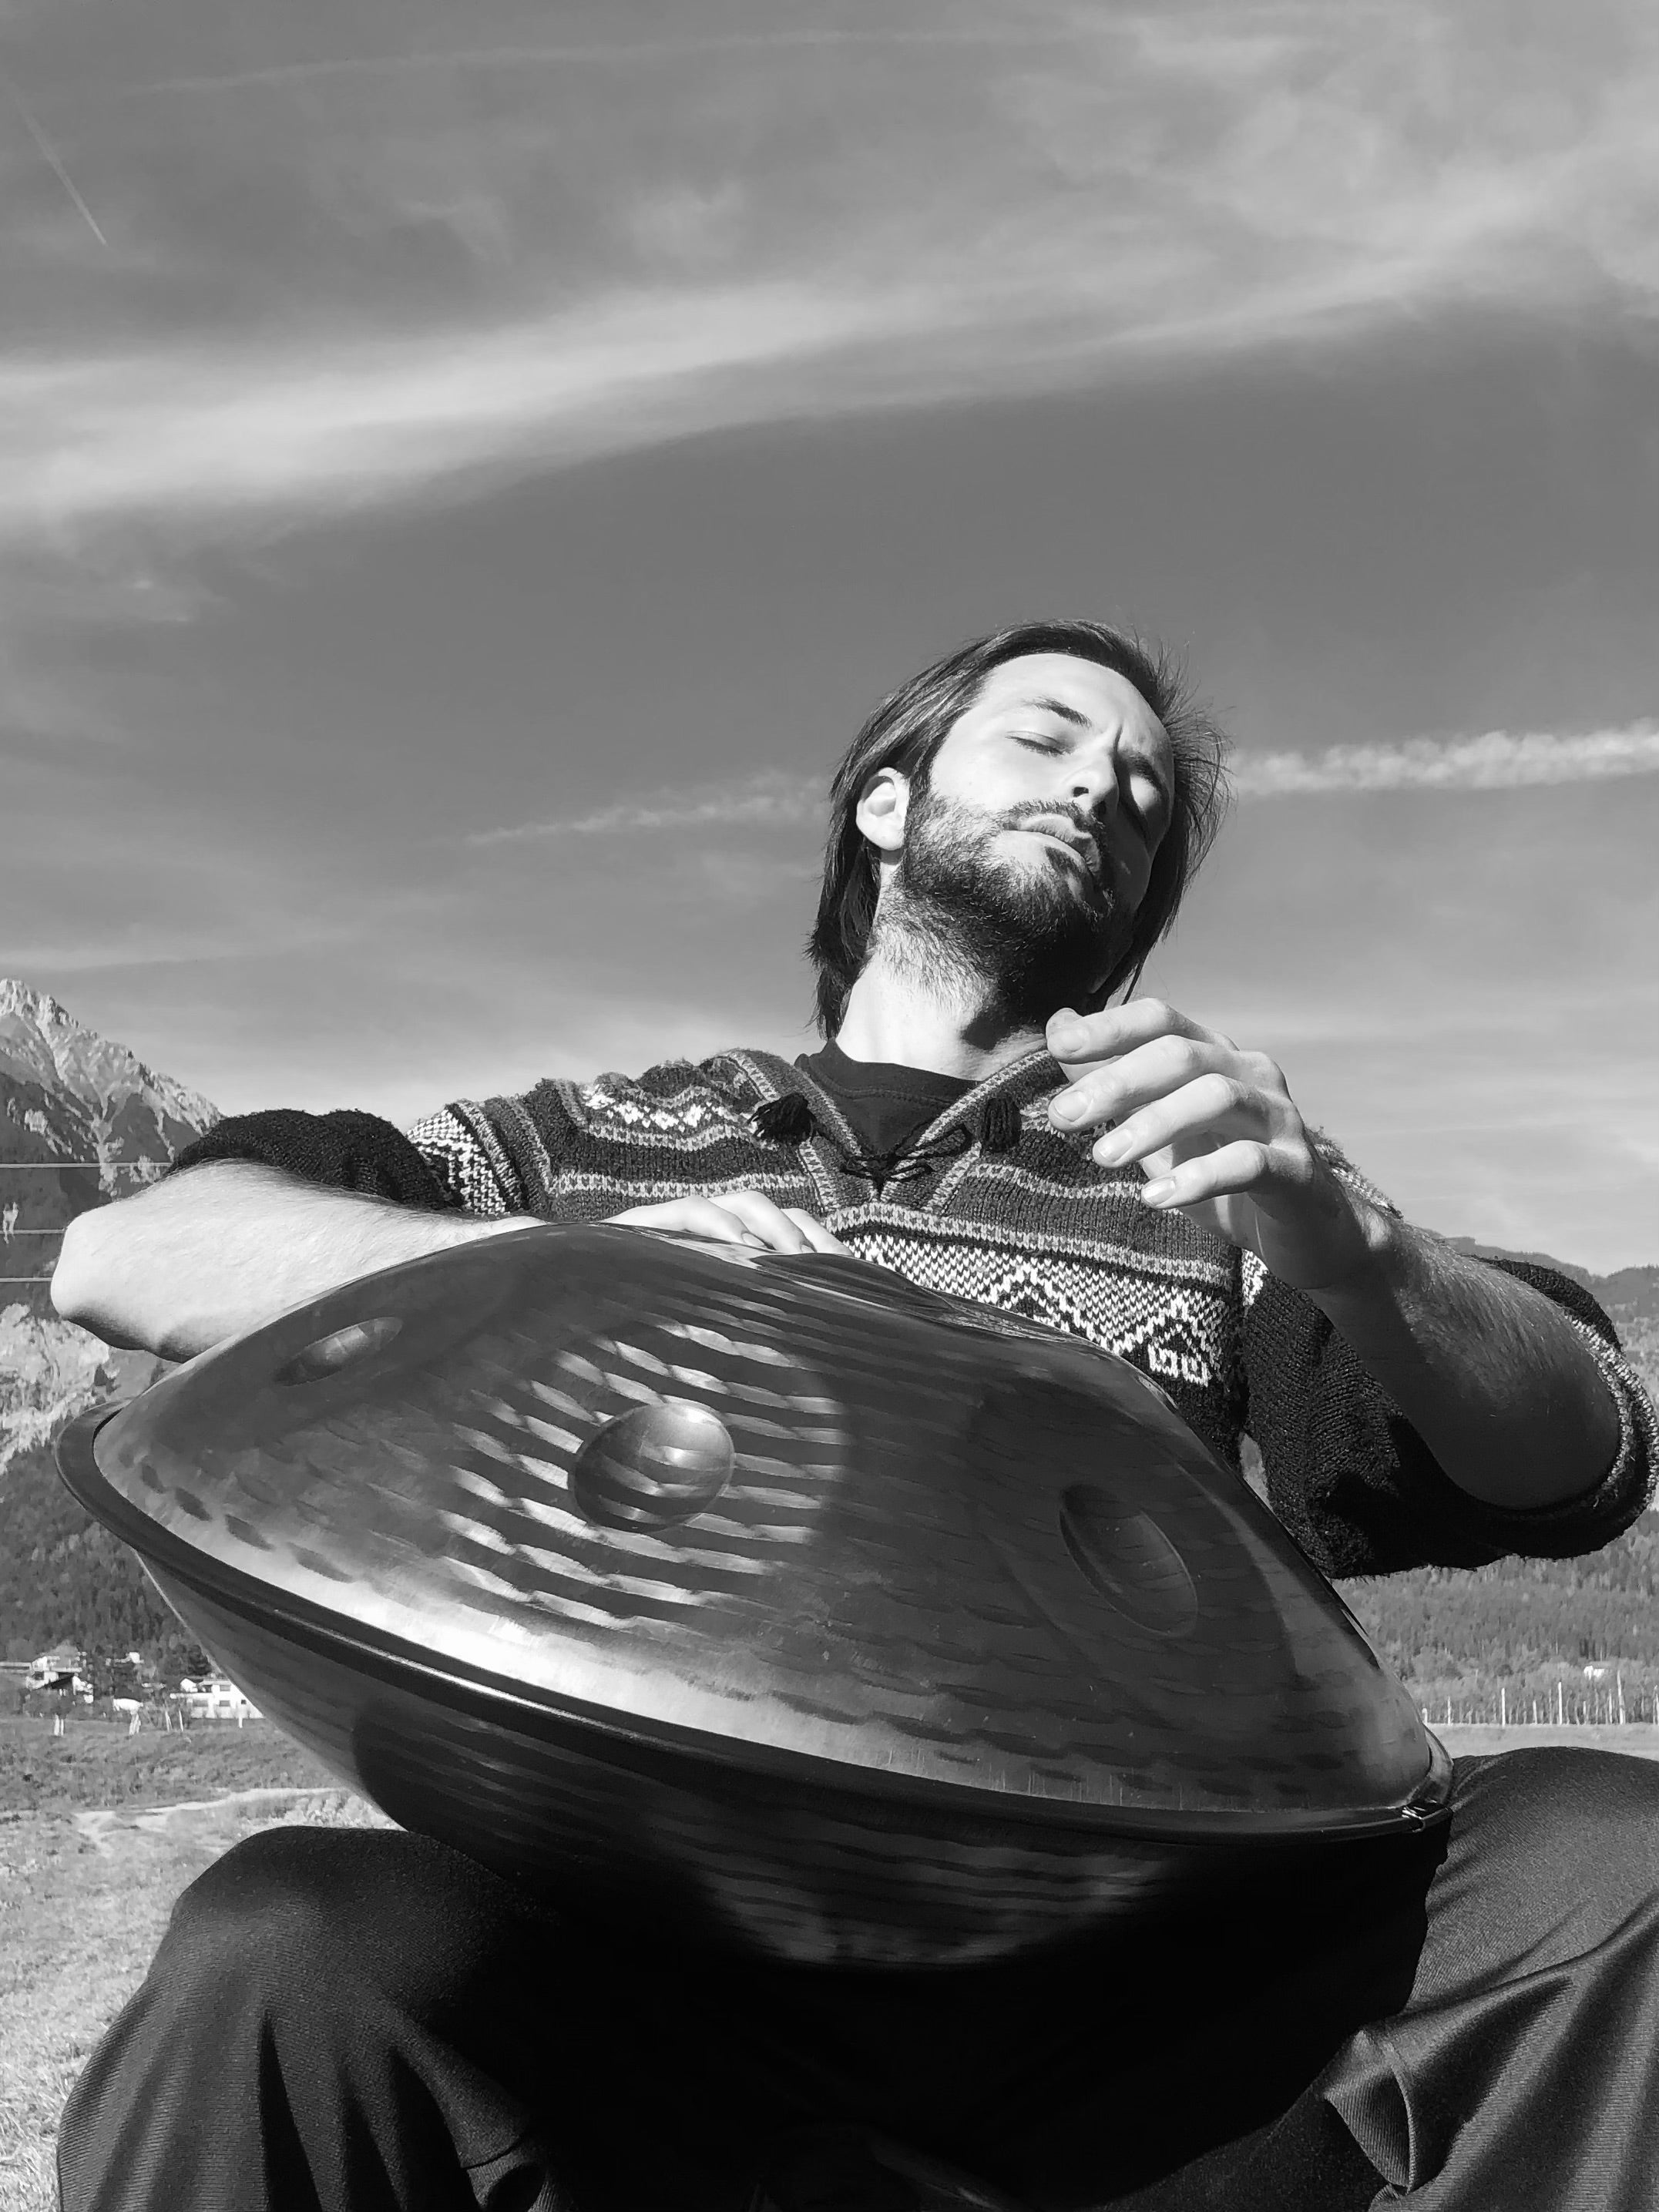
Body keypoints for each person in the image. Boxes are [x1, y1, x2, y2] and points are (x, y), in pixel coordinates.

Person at [51, 620, 1658, 2211]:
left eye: (1149, 797)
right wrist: (539, 1262)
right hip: (653, 1998)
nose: (1106, 785)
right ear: (887, 803)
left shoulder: (1197, 1185)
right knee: (287, 1947)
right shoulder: (581, 1141)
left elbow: (1579, 1452)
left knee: (1608, 1857)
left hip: (1138, 2010)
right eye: (1046, 736)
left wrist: (1353, 1234)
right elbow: (125, 1254)